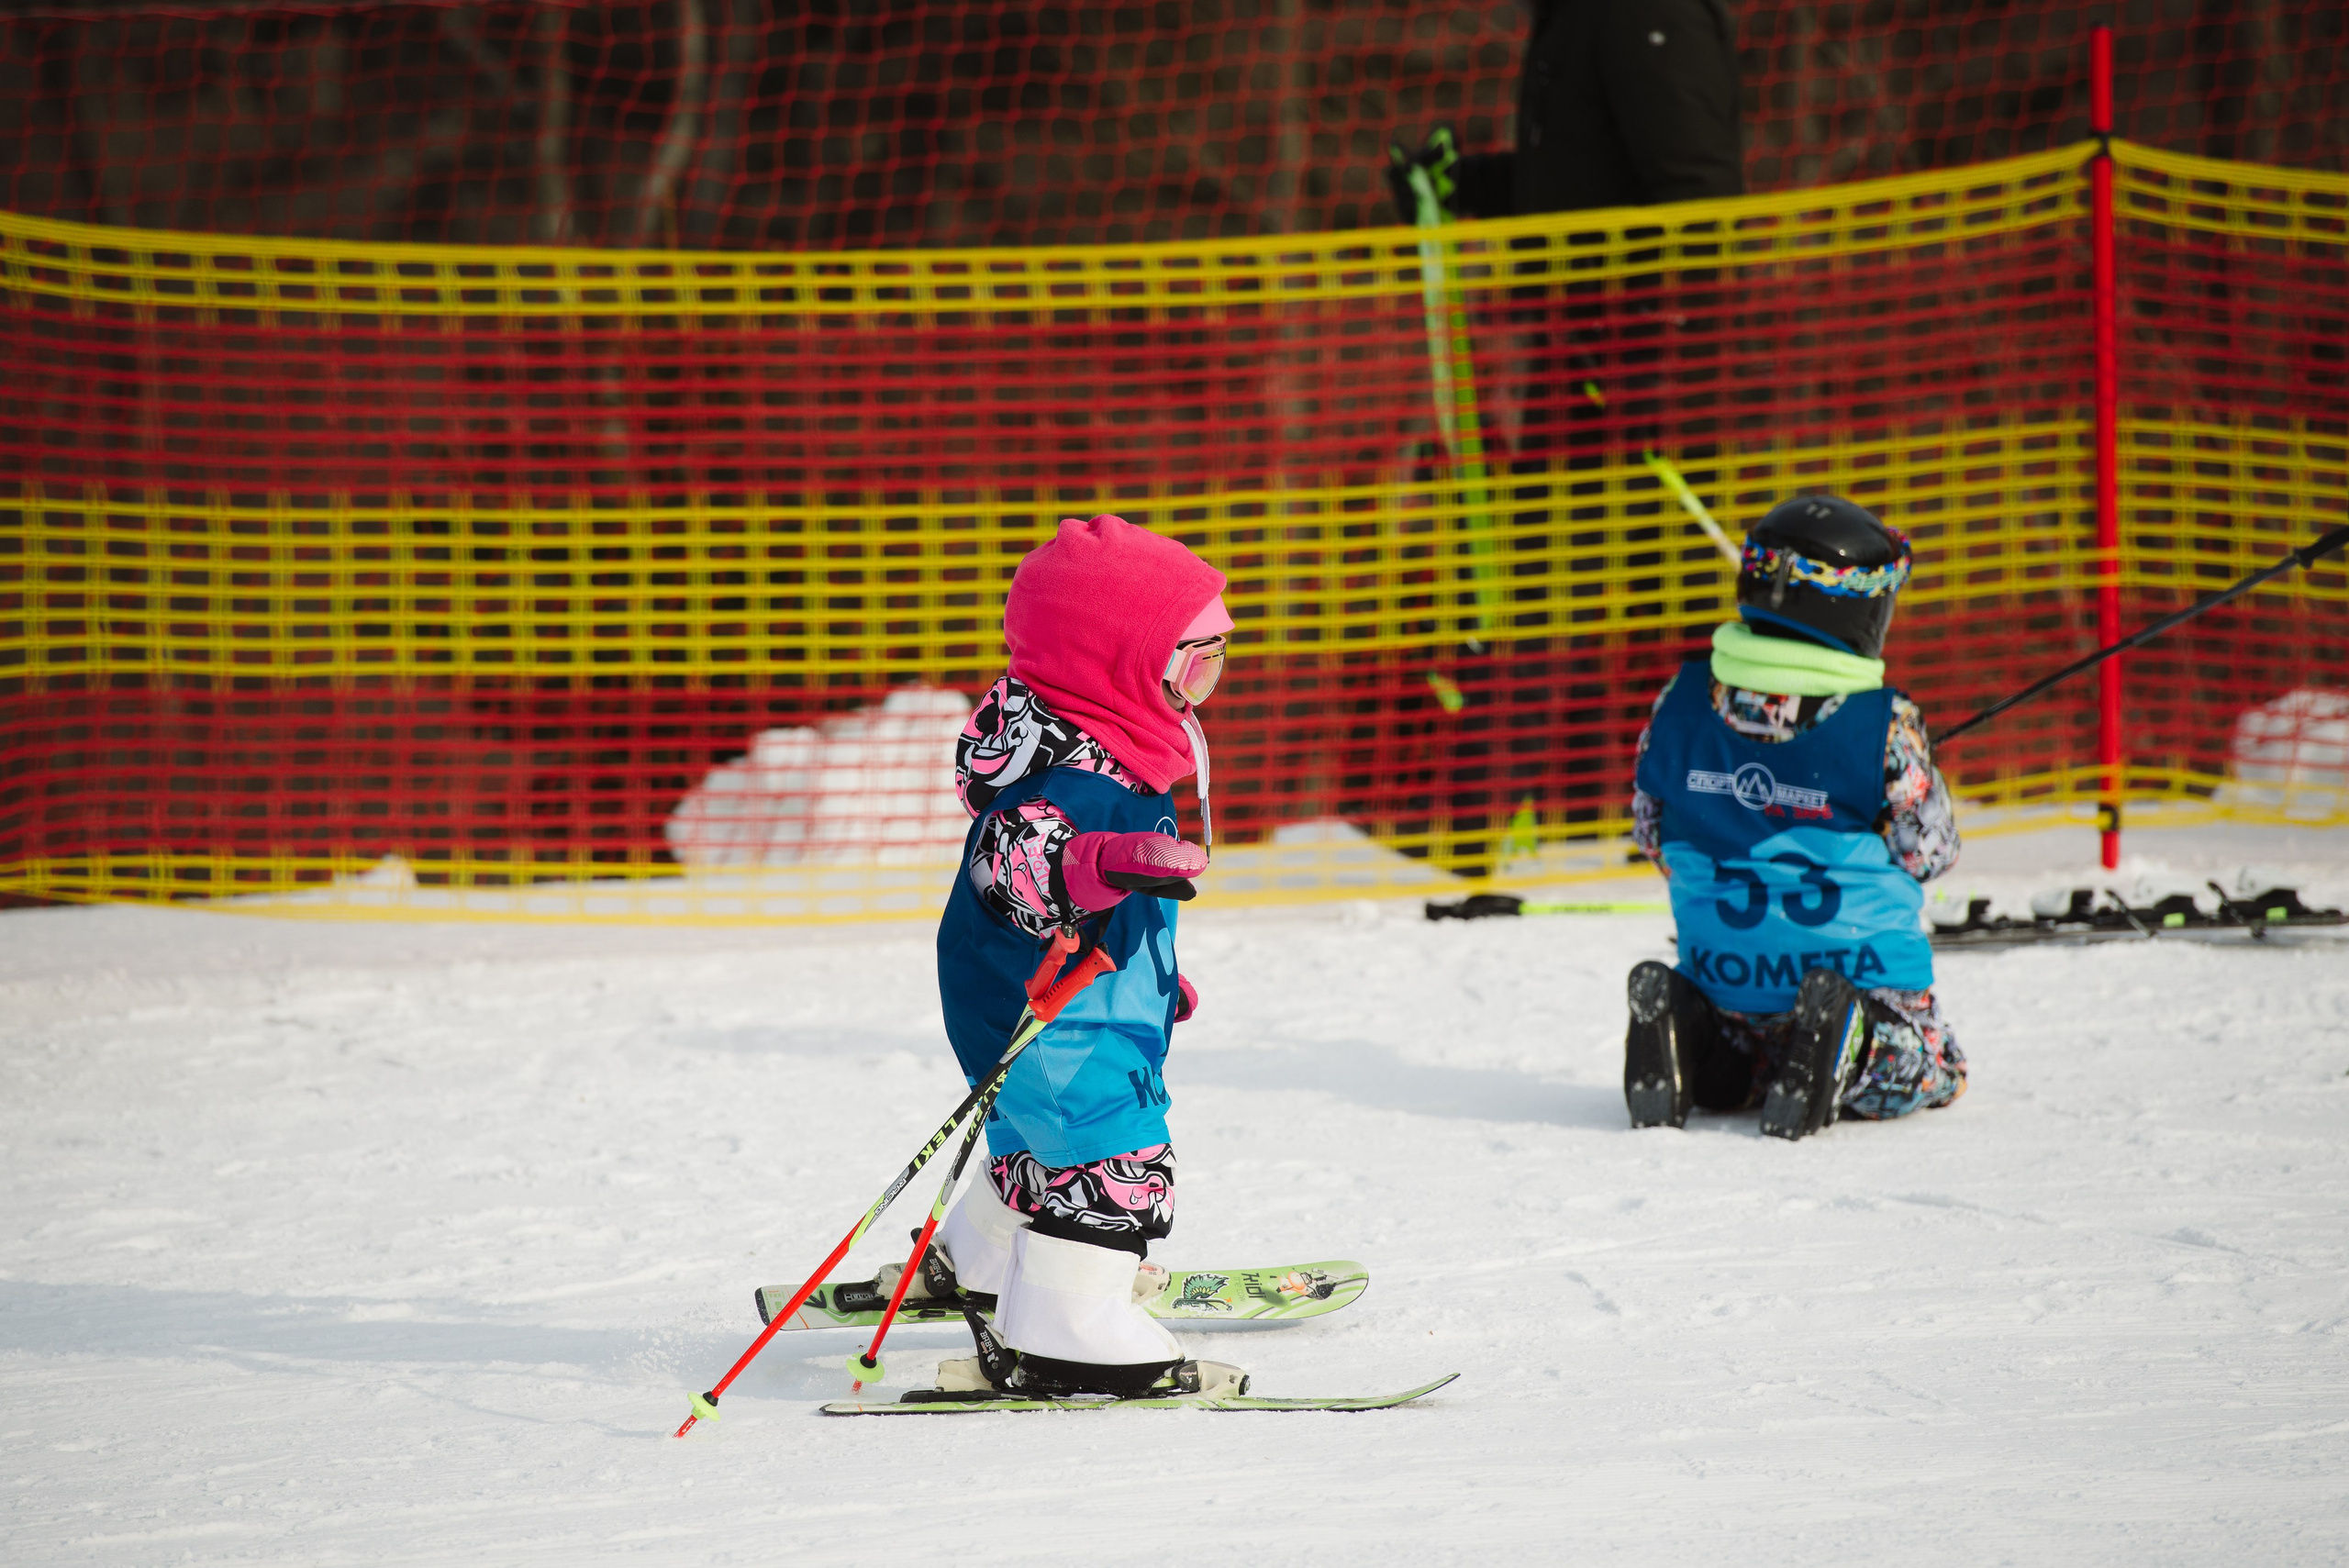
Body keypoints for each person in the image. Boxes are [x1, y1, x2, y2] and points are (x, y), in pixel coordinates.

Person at [903, 513, 1244, 1397]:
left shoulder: (1107, 752)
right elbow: (1015, 865)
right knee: (1108, 1157)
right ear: (1120, 661)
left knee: (1033, 1138)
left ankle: (980, 1260)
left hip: (1046, 1003)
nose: (1208, 685)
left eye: (1217, 658)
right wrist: (1095, 863)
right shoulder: (1077, 779)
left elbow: (1107, 904)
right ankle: (1068, 1323)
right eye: (1194, 663)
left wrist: (1155, 976)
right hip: (1051, 1018)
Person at [1624, 495, 1968, 1140]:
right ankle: (1854, 1035)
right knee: (1933, 1064)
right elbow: (1930, 853)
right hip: (1854, 970)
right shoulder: (1884, 724)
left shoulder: (1682, 698)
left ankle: (1697, 1034)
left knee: (1745, 1065)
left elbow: (1651, 828)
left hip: (1726, 977)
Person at [1386, 0, 1743, 224]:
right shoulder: (1566, 16)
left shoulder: (1644, 10)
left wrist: (1675, 331)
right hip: (1581, 328)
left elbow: (1701, 192)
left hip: (1634, 330)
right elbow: (1581, 176)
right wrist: (1465, 185)